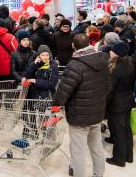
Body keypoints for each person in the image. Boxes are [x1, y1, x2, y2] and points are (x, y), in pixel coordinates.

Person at [52, 34, 110, 177]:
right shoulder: (103, 59)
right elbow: (109, 85)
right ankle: (98, 173)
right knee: (96, 146)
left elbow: (64, 90)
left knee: (78, 150)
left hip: (79, 115)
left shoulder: (75, 65)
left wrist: (56, 105)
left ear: (73, 46)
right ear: (89, 43)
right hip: (97, 111)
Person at [105, 41, 135, 167]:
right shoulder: (130, 63)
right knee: (126, 128)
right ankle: (128, 156)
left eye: (112, 50)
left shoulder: (116, 68)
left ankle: (119, 159)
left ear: (117, 53)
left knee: (119, 131)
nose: (110, 52)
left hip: (117, 103)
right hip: (128, 100)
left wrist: (105, 102)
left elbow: (111, 90)